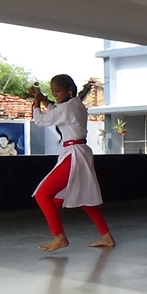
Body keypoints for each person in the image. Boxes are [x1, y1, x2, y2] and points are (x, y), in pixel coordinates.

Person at [30, 74, 115, 252]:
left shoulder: (68, 108)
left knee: (42, 195)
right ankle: (106, 236)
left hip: (74, 155)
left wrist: (37, 102)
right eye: (53, 91)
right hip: (79, 152)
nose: (55, 95)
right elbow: (57, 111)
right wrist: (44, 99)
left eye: (57, 91)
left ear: (69, 90)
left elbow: (41, 120)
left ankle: (59, 237)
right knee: (84, 196)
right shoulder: (76, 104)